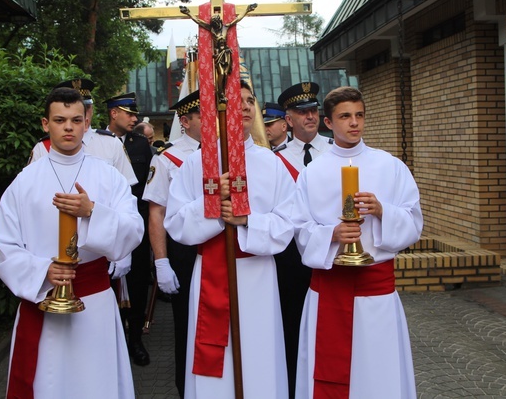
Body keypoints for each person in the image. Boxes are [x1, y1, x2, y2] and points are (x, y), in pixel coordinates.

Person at [0, 87, 143, 398]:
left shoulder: (108, 176)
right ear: (46, 124)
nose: (69, 127)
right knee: (50, 384)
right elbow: (2, 244)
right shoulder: (25, 181)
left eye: (76, 120)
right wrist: (43, 270)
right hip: (45, 299)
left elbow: (133, 229)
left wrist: (93, 213)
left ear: (86, 123)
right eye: (60, 120)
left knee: (95, 383)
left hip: (95, 301)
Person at [164, 81, 295, 399]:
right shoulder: (197, 163)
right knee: (217, 369)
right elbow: (176, 223)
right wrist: (213, 205)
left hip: (258, 276)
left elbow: (288, 224)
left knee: (259, 356)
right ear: (220, 110)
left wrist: (246, 220)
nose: (247, 106)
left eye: (251, 100)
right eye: (238, 101)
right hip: (211, 270)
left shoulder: (272, 164)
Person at [291, 86, 422, 398]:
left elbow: (414, 221)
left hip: (375, 292)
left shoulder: (390, 166)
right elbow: (299, 229)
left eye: (359, 115)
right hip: (329, 288)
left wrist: (382, 211)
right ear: (328, 122)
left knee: (378, 373)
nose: (354, 123)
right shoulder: (312, 172)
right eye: (345, 116)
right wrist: (332, 235)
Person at [274, 81, 332, 398]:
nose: (309, 116)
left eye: (313, 110)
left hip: (327, 252)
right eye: (301, 111)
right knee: (292, 326)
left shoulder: (336, 154)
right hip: (288, 259)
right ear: (288, 119)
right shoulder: (275, 158)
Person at [143, 90, 201, 398]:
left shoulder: (227, 151)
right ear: (186, 121)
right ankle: (186, 388)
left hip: (224, 250)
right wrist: (161, 262)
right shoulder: (168, 158)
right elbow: (157, 213)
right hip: (185, 253)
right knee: (187, 325)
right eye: (204, 116)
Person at [104, 92, 154, 366]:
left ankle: (135, 339)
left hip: (135, 227)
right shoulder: (97, 143)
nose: (135, 118)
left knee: (136, 284)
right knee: (108, 285)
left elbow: (146, 189)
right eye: (130, 113)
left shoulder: (139, 145)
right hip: (105, 228)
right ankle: (112, 340)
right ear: (114, 113)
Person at [27, 78, 137, 187]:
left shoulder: (111, 143)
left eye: (87, 107)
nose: (84, 112)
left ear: (92, 109)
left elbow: (125, 190)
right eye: (60, 119)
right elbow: (31, 188)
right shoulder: (42, 147)